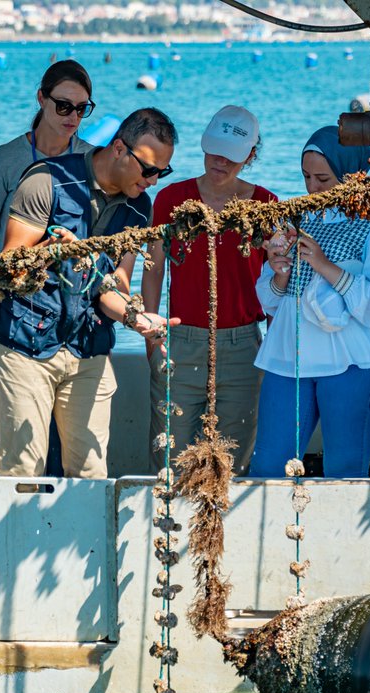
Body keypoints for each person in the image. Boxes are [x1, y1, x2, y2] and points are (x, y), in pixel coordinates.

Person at [0, 108, 180, 478]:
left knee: (91, 471)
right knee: (23, 470)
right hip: (25, 343)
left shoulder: (140, 207)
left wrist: (139, 320)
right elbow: (9, 267)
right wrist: (58, 251)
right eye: (149, 169)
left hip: (88, 346)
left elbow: (115, 286)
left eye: (162, 172)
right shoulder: (46, 182)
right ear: (119, 148)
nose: (153, 181)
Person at [249, 126, 370, 478]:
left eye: (323, 178)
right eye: (306, 177)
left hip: (353, 363)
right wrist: (278, 274)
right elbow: (269, 304)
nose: (312, 188)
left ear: (354, 175)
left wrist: (323, 265)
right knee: (266, 470)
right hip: (287, 359)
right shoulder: (294, 220)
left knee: (344, 473)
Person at [144, 105, 275, 475]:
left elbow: (277, 283)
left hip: (243, 344)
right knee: (169, 461)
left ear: (250, 156)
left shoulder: (265, 205)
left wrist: (273, 341)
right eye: (214, 150)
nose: (220, 161)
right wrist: (151, 339)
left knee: (232, 465)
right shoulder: (171, 199)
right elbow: (153, 270)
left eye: (231, 156)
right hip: (179, 339)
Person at [0, 60, 96, 256]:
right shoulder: (5, 160)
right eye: (63, 106)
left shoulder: (92, 160)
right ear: (41, 99)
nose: (73, 116)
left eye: (81, 108)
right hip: (14, 280)